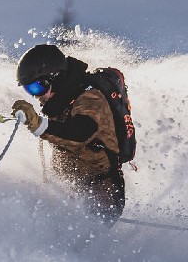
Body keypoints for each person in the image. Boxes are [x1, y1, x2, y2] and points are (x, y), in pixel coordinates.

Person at [11, 43, 126, 224]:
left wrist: (39, 125)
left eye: (37, 88)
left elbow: (81, 132)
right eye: (29, 90)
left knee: (62, 245)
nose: (36, 96)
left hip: (102, 193)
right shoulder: (60, 102)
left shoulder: (90, 98)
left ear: (55, 79)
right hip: (72, 191)